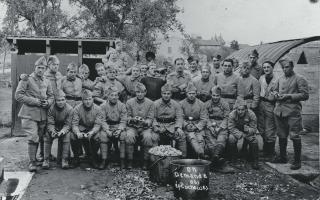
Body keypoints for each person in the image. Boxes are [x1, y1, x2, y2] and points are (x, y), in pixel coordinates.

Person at [15, 56, 54, 172]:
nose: (40, 70)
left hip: (42, 114)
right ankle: (32, 162)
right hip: (29, 114)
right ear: (35, 67)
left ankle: (40, 158)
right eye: (38, 67)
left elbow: (51, 95)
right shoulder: (26, 79)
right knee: (33, 137)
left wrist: (48, 102)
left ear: (45, 69)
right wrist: (36, 101)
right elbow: (18, 96)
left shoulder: (47, 81)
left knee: (41, 137)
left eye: (43, 68)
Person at [272, 58, 309, 170]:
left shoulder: (300, 79)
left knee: (294, 136)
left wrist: (289, 96)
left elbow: (305, 95)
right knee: (281, 135)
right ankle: (283, 157)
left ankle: (297, 161)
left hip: (293, 112)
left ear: (292, 67)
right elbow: (274, 90)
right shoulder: (280, 79)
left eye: (287, 67)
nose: (285, 69)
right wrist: (275, 94)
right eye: (283, 67)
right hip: (279, 112)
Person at [126, 83, 157, 169]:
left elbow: (151, 117)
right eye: (137, 92)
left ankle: (145, 161)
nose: (139, 94)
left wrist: (146, 122)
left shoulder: (151, 103)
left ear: (145, 92)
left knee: (148, 137)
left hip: (145, 127)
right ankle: (130, 161)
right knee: (129, 136)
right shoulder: (129, 102)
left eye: (141, 92)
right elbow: (127, 116)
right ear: (135, 92)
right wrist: (132, 119)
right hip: (133, 126)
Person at [153, 84, 187, 157]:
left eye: (168, 94)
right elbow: (152, 117)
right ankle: (154, 160)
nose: (166, 95)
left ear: (171, 94)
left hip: (171, 126)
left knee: (181, 136)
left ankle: (182, 159)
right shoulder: (155, 104)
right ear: (161, 94)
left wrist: (178, 127)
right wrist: (156, 127)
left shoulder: (176, 104)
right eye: (164, 93)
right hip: (159, 125)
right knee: (153, 137)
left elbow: (179, 117)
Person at [71, 90, 103, 168]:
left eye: (89, 99)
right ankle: (76, 158)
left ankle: (93, 157)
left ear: (93, 99)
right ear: (82, 100)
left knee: (98, 137)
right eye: (85, 99)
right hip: (81, 128)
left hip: (92, 129)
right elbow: (74, 124)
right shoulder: (77, 109)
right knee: (72, 136)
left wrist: (92, 132)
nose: (88, 102)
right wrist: (77, 132)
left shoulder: (98, 109)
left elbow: (98, 124)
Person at [43, 90, 73, 169]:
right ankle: (46, 159)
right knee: (47, 136)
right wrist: (52, 131)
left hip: (64, 127)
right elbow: (50, 123)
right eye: (58, 100)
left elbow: (68, 124)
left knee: (67, 136)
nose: (61, 102)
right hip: (54, 127)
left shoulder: (69, 109)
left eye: (63, 100)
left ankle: (65, 160)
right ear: (55, 101)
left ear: (65, 100)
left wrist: (63, 131)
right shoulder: (51, 109)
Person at [204, 86, 232, 172]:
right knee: (210, 140)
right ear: (211, 95)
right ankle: (218, 160)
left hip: (221, 125)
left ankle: (213, 162)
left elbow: (227, 117)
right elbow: (205, 116)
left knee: (221, 139)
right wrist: (210, 126)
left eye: (217, 95)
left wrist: (220, 127)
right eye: (213, 95)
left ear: (220, 95)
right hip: (210, 124)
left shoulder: (225, 104)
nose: (215, 97)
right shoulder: (207, 104)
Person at [99, 87, 127, 169]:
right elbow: (102, 120)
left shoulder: (122, 106)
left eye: (116, 95)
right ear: (107, 96)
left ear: (118, 96)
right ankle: (104, 159)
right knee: (103, 136)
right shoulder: (103, 106)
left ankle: (122, 159)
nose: (114, 97)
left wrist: (119, 129)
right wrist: (107, 130)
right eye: (112, 95)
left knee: (123, 136)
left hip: (118, 126)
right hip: (107, 126)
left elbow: (124, 119)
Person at [227, 99, 259, 170]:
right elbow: (231, 128)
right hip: (237, 131)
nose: (240, 112)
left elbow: (254, 128)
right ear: (236, 109)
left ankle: (254, 160)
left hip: (247, 132)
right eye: (238, 110)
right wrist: (240, 135)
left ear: (246, 109)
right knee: (231, 138)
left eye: (242, 110)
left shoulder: (251, 114)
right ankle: (233, 158)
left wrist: (248, 130)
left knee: (254, 140)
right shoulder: (232, 114)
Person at [180, 83, 207, 158]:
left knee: (200, 139)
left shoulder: (201, 104)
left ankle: (200, 157)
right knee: (191, 136)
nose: (191, 95)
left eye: (193, 93)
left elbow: (204, 118)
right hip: (186, 126)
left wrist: (197, 127)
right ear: (186, 94)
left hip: (197, 125)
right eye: (189, 93)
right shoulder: (181, 103)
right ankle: (201, 154)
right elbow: (179, 117)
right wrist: (186, 125)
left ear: (196, 94)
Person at [257, 61, 278, 161]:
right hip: (261, 103)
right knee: (261, 128)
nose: (266, 69)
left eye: (268, 67)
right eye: (264, 67)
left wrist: (275, 96)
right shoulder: (261, 78)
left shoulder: (277, 79)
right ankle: (265, 150)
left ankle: (270, 152)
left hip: (271, 104)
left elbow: (279, 92)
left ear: (272, 68)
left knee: (270, 128)